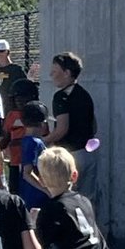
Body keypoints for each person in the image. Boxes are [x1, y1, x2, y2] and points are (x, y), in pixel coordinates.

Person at [42, 51, 98, 197]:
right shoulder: (84, 94)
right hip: (88, 154)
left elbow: (62, 129)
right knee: (87, 200)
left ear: (67, 73)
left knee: (67, 199)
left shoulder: (61, 97)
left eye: (55, 71)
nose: (51, 75)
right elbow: (94, 126)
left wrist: (43, 141)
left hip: (70, 155)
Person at [0, 79, 38, 195]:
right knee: (15, 192)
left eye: (23, 98)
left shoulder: (36, 112)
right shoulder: (12, 115)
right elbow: (6, 137)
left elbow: (44, 135)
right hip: (15, 162)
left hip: (33, 162)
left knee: (32, 191)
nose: (19, 102)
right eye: (17, 99)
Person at [17, 101, 51, 213]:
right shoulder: (34, 142)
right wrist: (46, 190)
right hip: (35, 197)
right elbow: (27, 173)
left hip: (29, 194)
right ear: (43, 124)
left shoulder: (26, 140)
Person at [0, 39, 28, 108]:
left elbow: (24, 89)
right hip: (0, 107)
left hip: (13, 108)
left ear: (6, 52)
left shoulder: (16, 70)